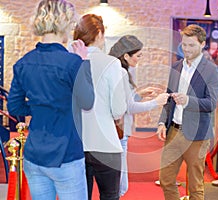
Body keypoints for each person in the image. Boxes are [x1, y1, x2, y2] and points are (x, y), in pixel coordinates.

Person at [7, 0, 94, 199]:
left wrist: (39, 107)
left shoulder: (23, 63)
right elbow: (88, 101)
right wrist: (84, 62)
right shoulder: (73, 62)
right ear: (63, 22)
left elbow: (14, 107)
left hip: (35, 154)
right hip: (66, 155)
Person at [157, 24, 218, 200]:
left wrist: (188, 101)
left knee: (195, 186)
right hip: (173, 132)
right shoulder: (176, 67)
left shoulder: (212, 71)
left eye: (191, 45)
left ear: (202, 44)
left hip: (198, 136)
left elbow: (211, 103)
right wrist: (162, 122)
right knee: (166, 179)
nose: (186, 49)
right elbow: (168, 98)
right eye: (184, 45)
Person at [73, 14, 127, 200]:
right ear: (99, 34)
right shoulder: (112, 63)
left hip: (76, 144)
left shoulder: (70, 61)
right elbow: (119, 110)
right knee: (110, 195)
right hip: (106, 145)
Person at [109, 35, 169, 196]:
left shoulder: (117, 70)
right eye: (138, 56)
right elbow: (129, 107)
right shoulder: (121, 72)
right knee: (121, 185)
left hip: (116, 131)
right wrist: (156, 102)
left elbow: (123, 101)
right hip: (120, 131)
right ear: (126, 55)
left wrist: (139, 94)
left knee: (118, 183)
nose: (139, 59)